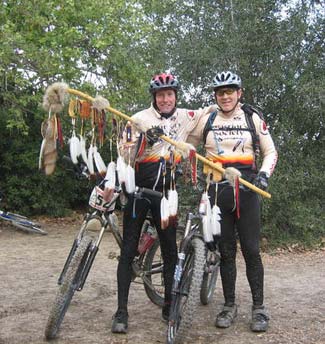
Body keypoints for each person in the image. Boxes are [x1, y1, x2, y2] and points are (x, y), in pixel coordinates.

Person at [111, 72, 216, 334]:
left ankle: (169, 305)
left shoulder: (185, 117)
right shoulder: (138, 119)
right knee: (127, 251)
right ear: (154, 98)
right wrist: (146, 139)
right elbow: (123, 152)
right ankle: (121, 311)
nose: (166, 99)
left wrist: (238, 107)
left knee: (170, 251)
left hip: (167, 194)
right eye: (161, 95)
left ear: (176, 96)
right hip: (140, 191)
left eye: (170, 94)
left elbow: (211, 111)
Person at [188, 71, 278, 332]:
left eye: (230, 91)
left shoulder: (252, 117)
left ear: (239, 93)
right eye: (220, 92)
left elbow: (271, 151)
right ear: (215, 95)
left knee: (251, 250)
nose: (225, 96)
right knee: (226, 251)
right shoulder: (207, 118)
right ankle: (229, 305)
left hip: (247, 188)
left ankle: (259, 308)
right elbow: (190, 145)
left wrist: (263, 175)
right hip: (216, 188)